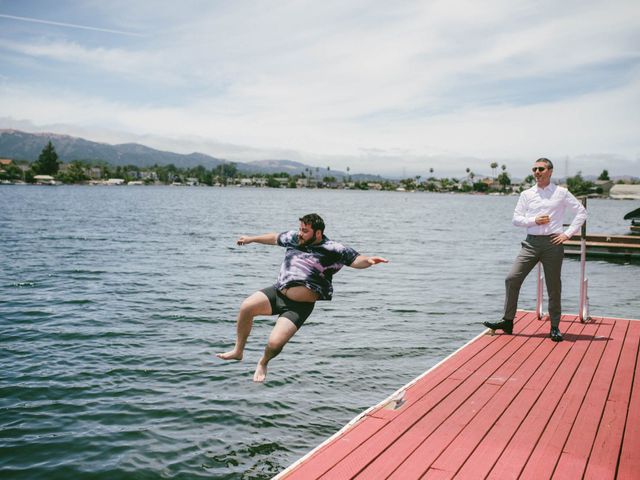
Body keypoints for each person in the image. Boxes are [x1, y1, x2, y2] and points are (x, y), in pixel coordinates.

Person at [216, 213, 388, 382]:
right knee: (247, 306)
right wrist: (251, 239)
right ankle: (238, 351)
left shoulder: (333, 249)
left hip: (298, 306)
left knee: (275, 344)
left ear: (318, 233)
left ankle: (263, 362)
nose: (300, 233)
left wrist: (369, 261)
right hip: (278, 292)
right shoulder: (293, 238)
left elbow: (356, 259)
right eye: (300, 229)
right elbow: (273, 238)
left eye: (305, 230)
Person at [483, 158, 587, 342]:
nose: (537, 172)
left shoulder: (561, 192)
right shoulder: (527, 194)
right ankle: (508, 321)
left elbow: (581, 213)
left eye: (541, 169)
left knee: (553, 286)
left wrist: (568, 234)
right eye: (534, 169)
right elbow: (516, 219)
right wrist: (534, 221)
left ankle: (554, 327)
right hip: (530, 243)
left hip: (553, 243)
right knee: (512, 278)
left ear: (550, 171)